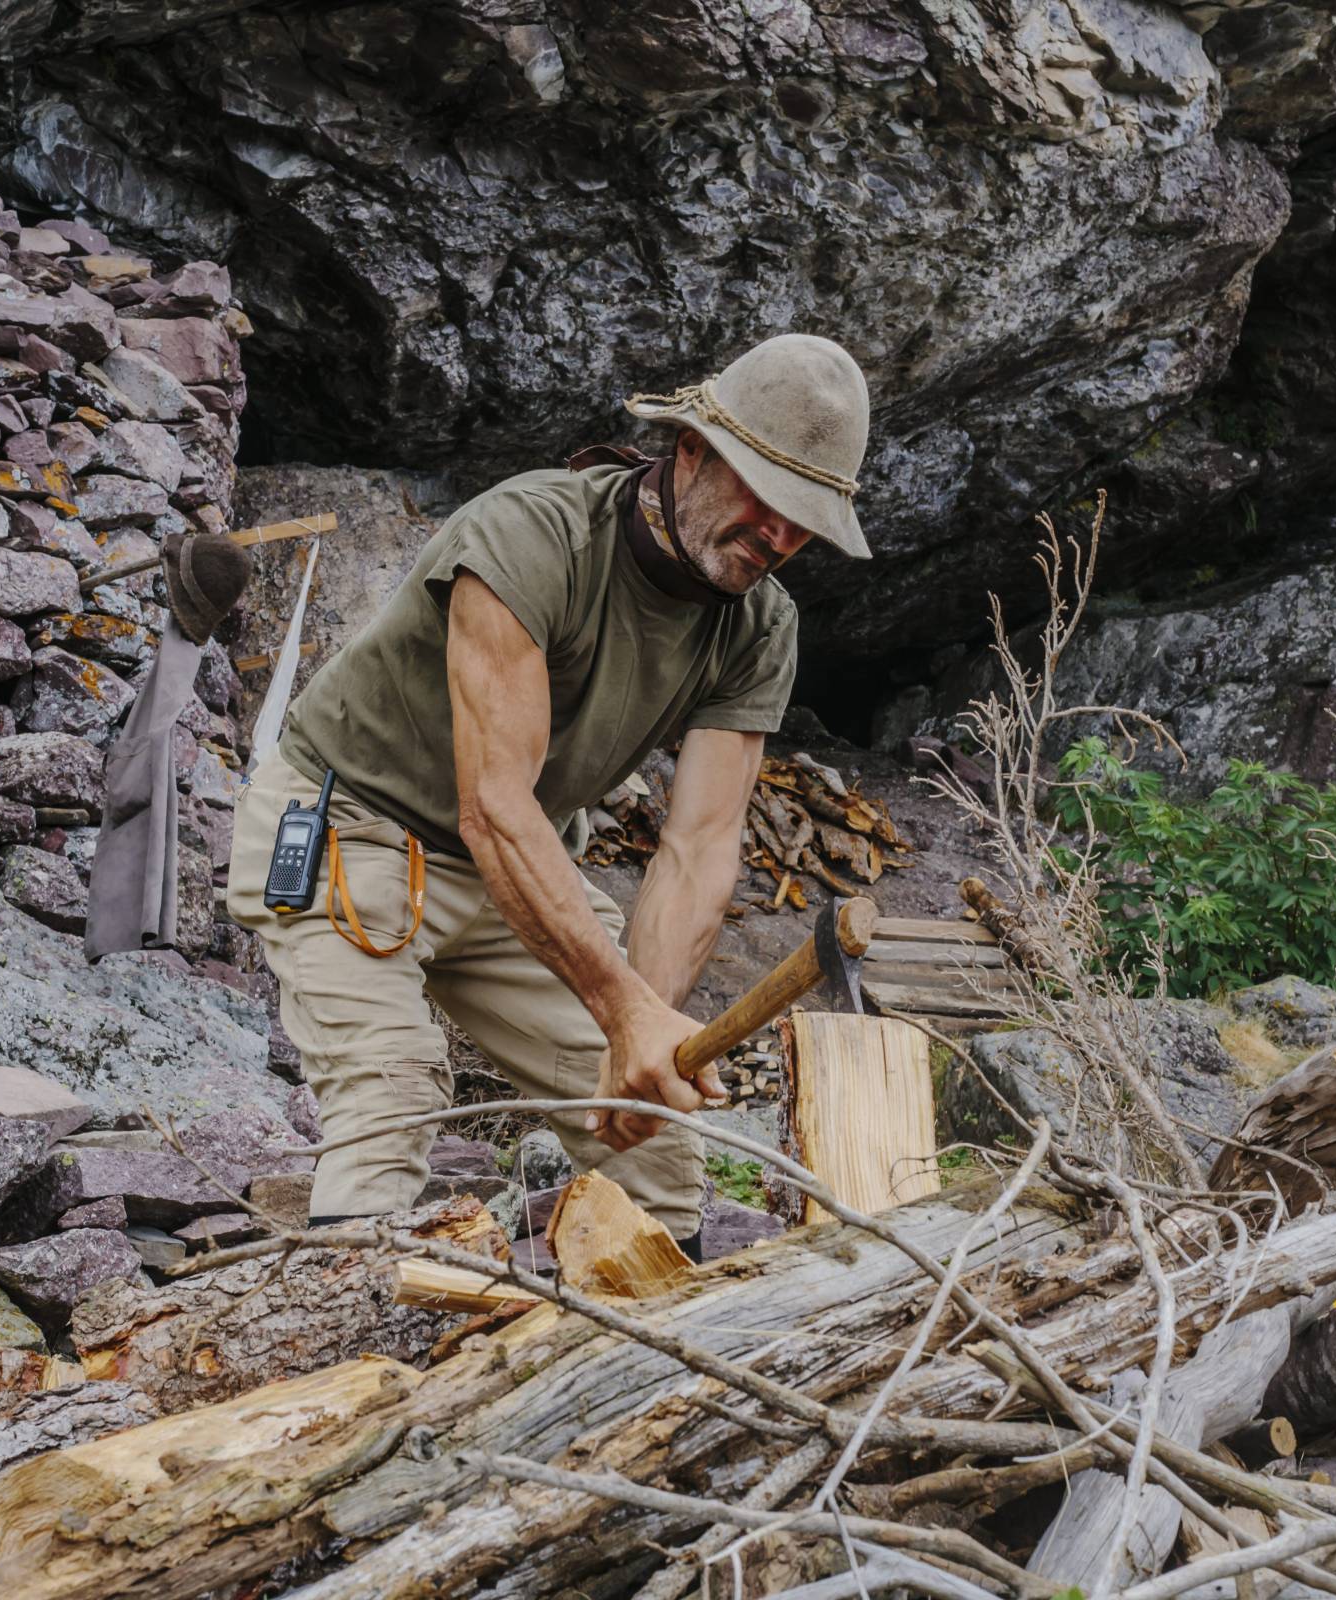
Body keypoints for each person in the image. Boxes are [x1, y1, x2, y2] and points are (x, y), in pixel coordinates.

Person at [227, 333, 872, 1254]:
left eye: (806, 521)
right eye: (766, 499)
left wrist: (640, 1034)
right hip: (357, 826)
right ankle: (342, 1370)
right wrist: (622, 1011)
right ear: (691, 449)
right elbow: (493, 803)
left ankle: (658, 1379)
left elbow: (697, 850)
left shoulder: (760, 627)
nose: (779, 537)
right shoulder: (530, 538)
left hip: (517, 874)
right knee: (391, 1091)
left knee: (655, 1143)